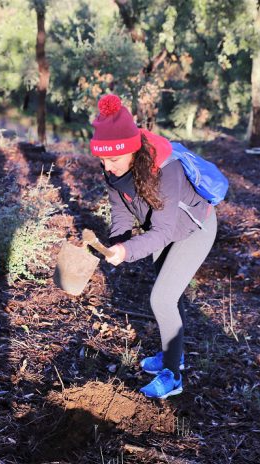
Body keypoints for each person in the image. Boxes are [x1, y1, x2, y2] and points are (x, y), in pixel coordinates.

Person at [89, 94, 217, 399]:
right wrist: (117, 242)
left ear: (132, 150)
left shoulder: (165, 169)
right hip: (164, 230)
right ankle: (174, 354)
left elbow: (162, 232)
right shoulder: (114, 170)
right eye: (102, 160)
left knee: (161, 298)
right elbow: (120, 212)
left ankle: (172, 377)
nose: (108, 166)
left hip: (194, 229)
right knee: (170, 295)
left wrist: (127, 251)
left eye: (114, 159)